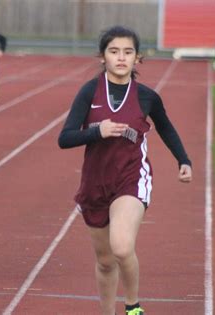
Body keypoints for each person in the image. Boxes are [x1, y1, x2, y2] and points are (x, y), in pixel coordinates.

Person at [58, 26, 192, 315]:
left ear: (138, 58)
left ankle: (133, 306)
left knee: (120, 247)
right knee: (105, 261)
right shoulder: (89, 91)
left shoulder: (146, 97)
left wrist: (184, 160)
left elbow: (166, 128)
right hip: (95, 184)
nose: (121, 57)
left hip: (131, 178)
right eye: (114, 51)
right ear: (102, 57)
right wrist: (98, 131)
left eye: (128, 52)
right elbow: (65, 138)